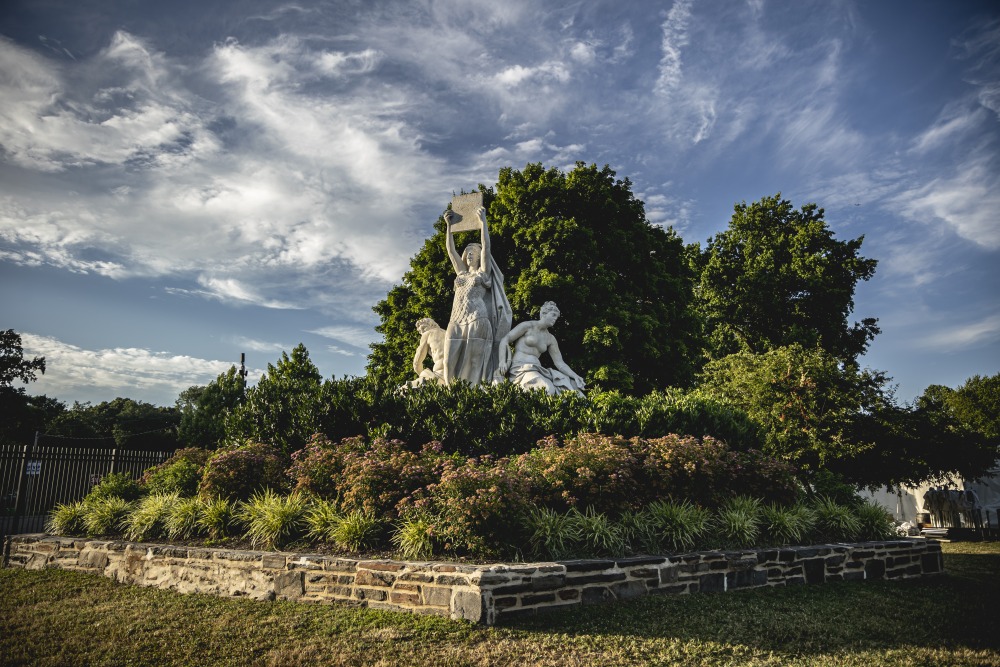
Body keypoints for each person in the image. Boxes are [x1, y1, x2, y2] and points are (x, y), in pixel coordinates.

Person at [442, 206, 512, 385]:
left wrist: (483, 224)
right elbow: (450, 251)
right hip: (456, 319)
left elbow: (487, 247)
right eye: (468, 251)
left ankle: (474, 395)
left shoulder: (483, 274)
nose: (470, 253)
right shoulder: (461, 274)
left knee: (474, 362)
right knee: (447, 362)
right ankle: (451, 396)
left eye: (474, 251)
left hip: (477, 318)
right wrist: (448, 226)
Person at [497, 301, 585, 395]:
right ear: (544, 313)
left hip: (539, 370)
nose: (555, 319)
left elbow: (559, 363)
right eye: (553, 315)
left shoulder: (550, 338)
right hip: (520, 369)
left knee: (574, 388)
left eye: (556, 317)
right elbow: (505, 340)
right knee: (547, 389)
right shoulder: (528, 326)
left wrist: (575, 376)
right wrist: (502, 361)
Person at [409, 318, 447, 387]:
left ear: (431, 325)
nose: (423, 332)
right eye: (420, 331)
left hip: (440, 373)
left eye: (424, 328)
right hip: (456, 371)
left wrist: (422, 374)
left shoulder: (428, 334)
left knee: (405, 389)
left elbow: (417, 362)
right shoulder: (447, 332)